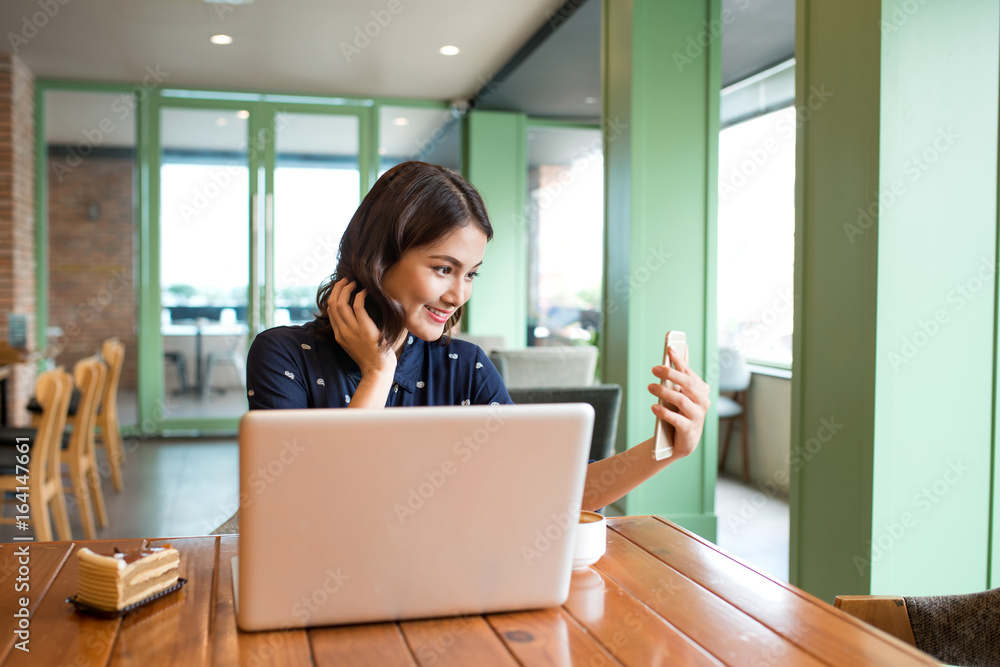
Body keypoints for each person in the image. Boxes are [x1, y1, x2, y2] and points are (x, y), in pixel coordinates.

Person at [242, 160, 709, 514]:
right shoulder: (284, 355)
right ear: (380, 258)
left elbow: (549, 495)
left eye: (471, 275)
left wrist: (666, 448)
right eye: (443, 269)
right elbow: (302, 510)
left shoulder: (464, 367)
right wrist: (377, 372)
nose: (457, 295)